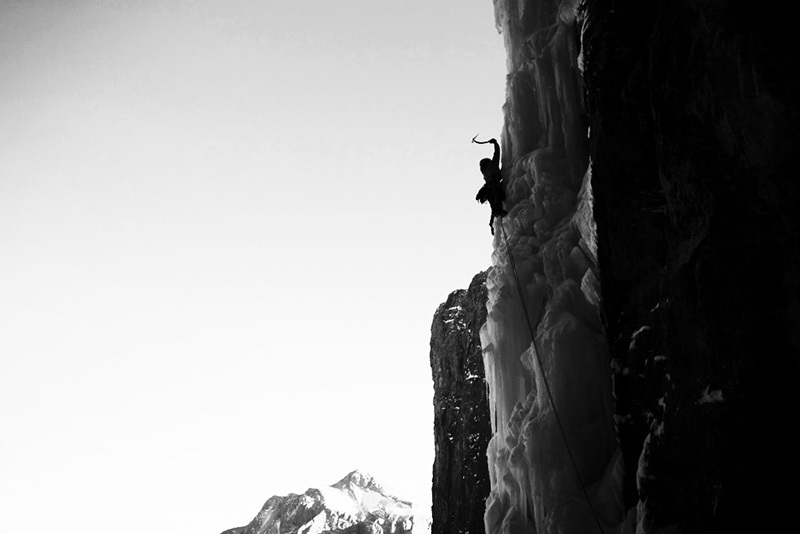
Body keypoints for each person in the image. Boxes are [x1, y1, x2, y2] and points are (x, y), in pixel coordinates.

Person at [474, 137, 507, 234]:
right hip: (494, 185)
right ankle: (497, 215)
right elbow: (497, 153)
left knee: (493, 202)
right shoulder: (492, 165)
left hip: (487, 188)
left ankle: (492, 224)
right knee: (498, 196)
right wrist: (495, 143)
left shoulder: (484, 172)